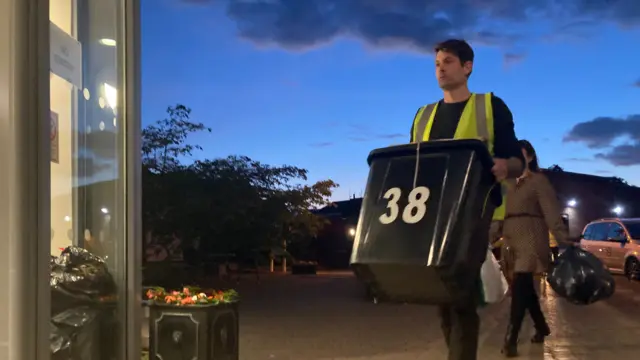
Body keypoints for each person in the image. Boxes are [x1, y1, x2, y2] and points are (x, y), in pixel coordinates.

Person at [409, 39, 524, 360]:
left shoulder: (491, 106)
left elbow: (517, 160)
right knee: (446, 300)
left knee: (459, 299)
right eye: (436, 64)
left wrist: (505, 165)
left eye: (447, 62)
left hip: (476, 215)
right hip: (432, 217)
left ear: (467, 67)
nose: (440, 69)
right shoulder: (423, 115)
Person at [501, 140, 570, 357]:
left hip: (531, 237)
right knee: (525, 289)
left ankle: (511, 338)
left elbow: (551, 212)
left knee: (521, 284)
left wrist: (564, 241)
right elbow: (497, 215)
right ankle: (541, 327)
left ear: (530, 158)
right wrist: (487, 238)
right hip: (511, 240)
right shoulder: (506, 184)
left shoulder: (539, 181)